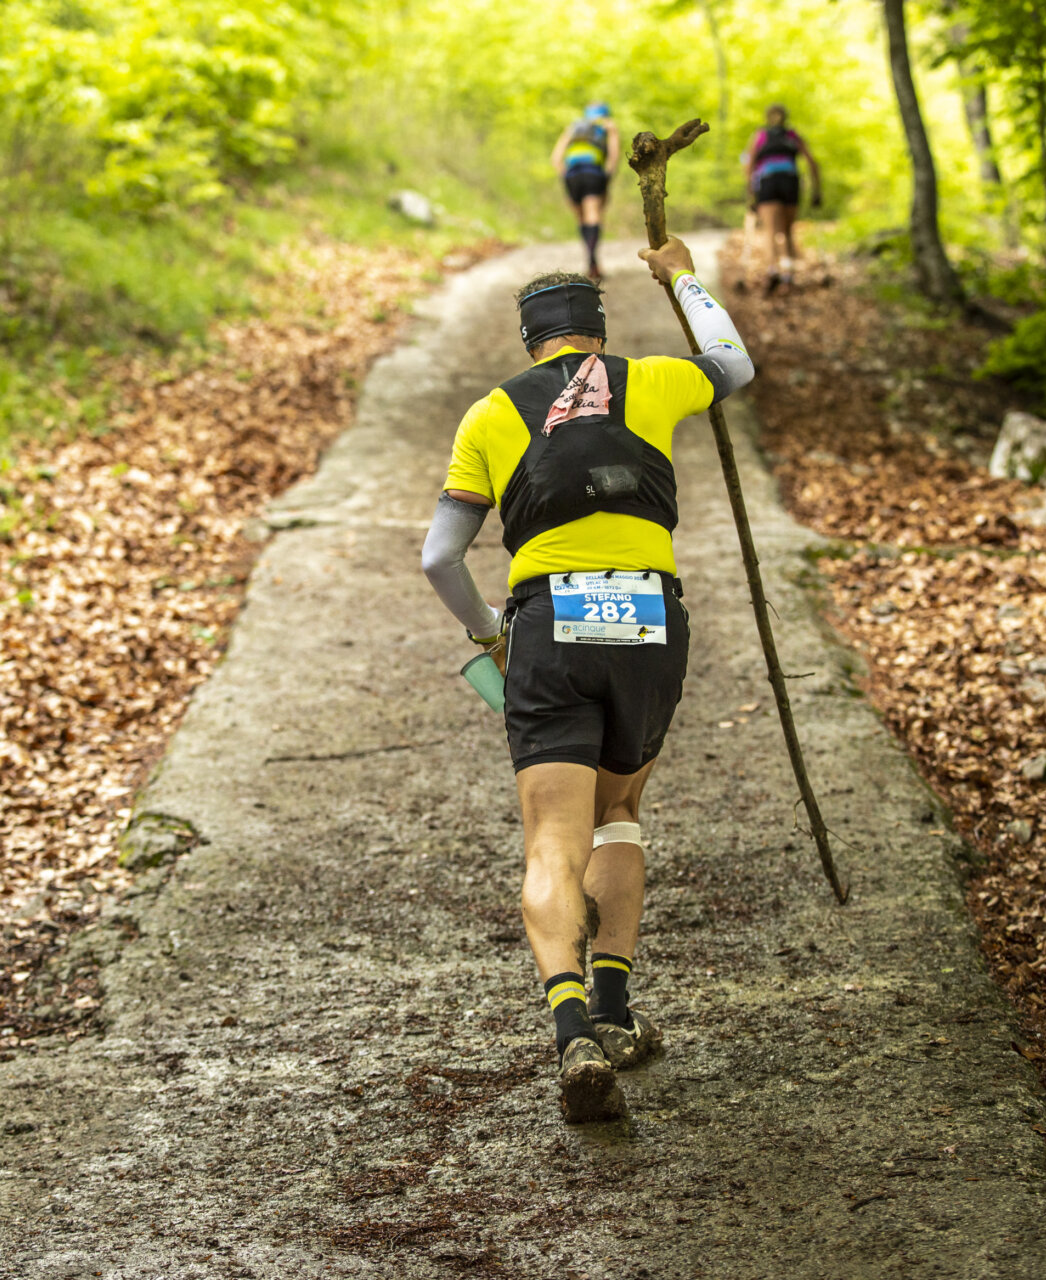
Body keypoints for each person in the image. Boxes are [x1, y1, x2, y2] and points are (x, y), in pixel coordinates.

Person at [419, 236, 755, 1122]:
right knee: (619, 814)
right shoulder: (648, 380)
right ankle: (615, 1011)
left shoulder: (491, 414)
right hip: (648, 619)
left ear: (531, 342)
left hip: (549, 623)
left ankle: (570, 1031)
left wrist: (487, 630)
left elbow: (439, 556)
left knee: (550, 839)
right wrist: (681, 274)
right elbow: (733, 361)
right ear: (596, 336)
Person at [740, 104, 821, 292]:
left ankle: (773, 270)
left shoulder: (760, 135)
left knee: (770, 231)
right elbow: (812, 162)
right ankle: (787, 274)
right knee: (786, 230)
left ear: (768, 117)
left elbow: (749, 163)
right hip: (790, 183)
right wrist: (817, 191)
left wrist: (750, 192)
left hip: (768, 183)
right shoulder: (792, 135)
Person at [549, 103, 620, 281]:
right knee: (593, 215)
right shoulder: (607, 127)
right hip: (593, 173)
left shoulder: (573, 128)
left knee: (581, 218)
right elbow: (613, 156)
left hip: (572, 175)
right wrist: (606, 179)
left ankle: (590, 260)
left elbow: (556, 158)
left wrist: (566, 176)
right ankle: (593, 261)